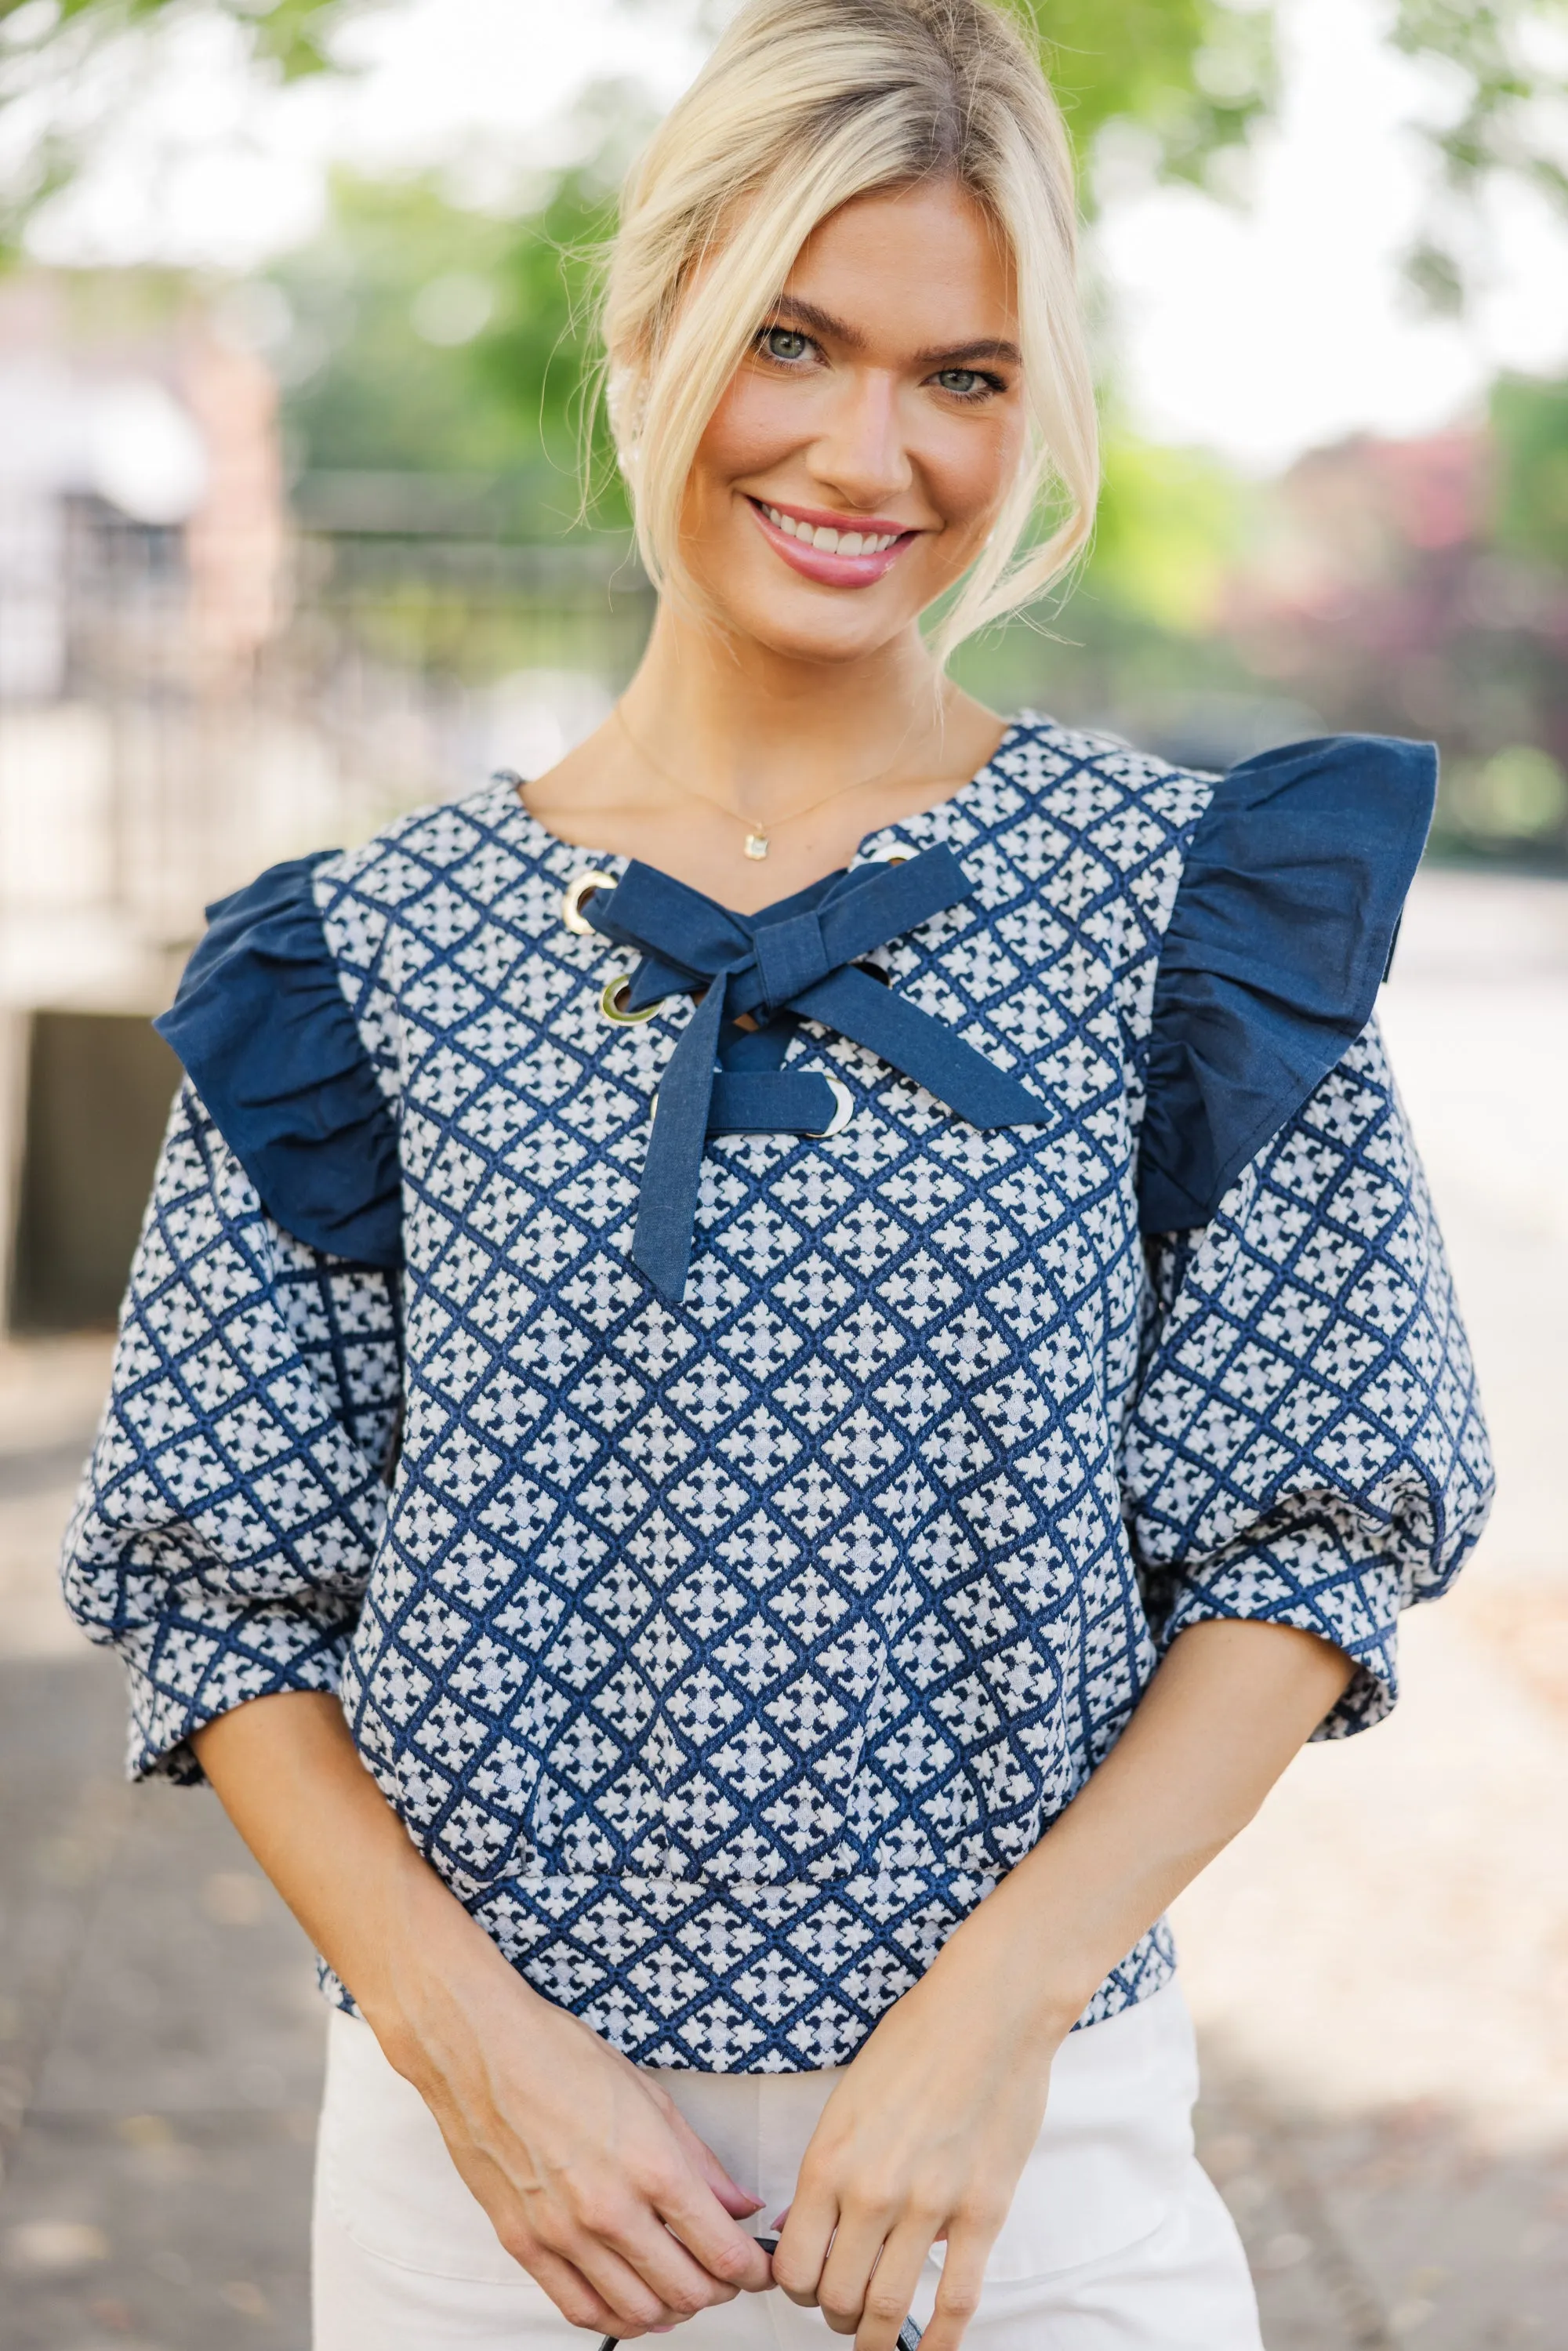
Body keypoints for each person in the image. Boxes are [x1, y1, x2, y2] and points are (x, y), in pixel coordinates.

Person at [62, 2, 1494, 2346]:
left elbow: (1320, 1518)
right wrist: (474, 2055)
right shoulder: (357, 963)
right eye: (795, 341)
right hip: (490, 2206)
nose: (868, 447)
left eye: (965, 373)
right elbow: (231, 1593)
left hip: (1023, 2179)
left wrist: (994, 2013)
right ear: (651, 334)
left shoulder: (1187, 909)